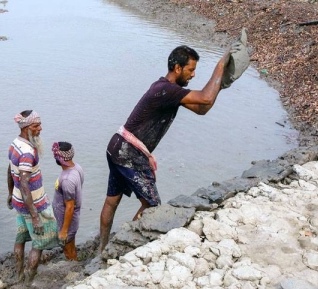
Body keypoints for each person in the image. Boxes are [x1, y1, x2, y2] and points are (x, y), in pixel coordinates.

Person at [99, 44, 241, 255]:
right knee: (152, 207)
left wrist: (219, 84)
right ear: (177, 68)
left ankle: (103, 249)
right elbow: (205, 97)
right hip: (128, 152)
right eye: (190, 70)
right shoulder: (165, 90)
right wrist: (221, 66)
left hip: (118, 146)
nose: (193, 75)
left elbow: (202, 108)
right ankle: (120, 246)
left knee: (112, 201)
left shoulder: (166, 89)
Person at [7, 110, 59, 283]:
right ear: (26, 128)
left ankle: (19, 275)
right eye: (36, 126)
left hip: (18, 202)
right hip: (34, 205)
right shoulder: (28, 152)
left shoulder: (15, 143)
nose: (40, 129)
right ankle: (28, 281)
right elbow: (24, 184)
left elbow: (10, 170)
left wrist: (9, 193)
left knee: (20, 239)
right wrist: (35, 215)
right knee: (39, 243)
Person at [51, 141, 84, 261]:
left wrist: (64, 231)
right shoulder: (77, 168)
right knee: (71, 246)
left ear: (60, 158)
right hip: (71, 217)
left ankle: (74, 273)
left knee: (68, 250)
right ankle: (75, 263)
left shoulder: (66, 180)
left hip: (68, 220)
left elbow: (70, 206)